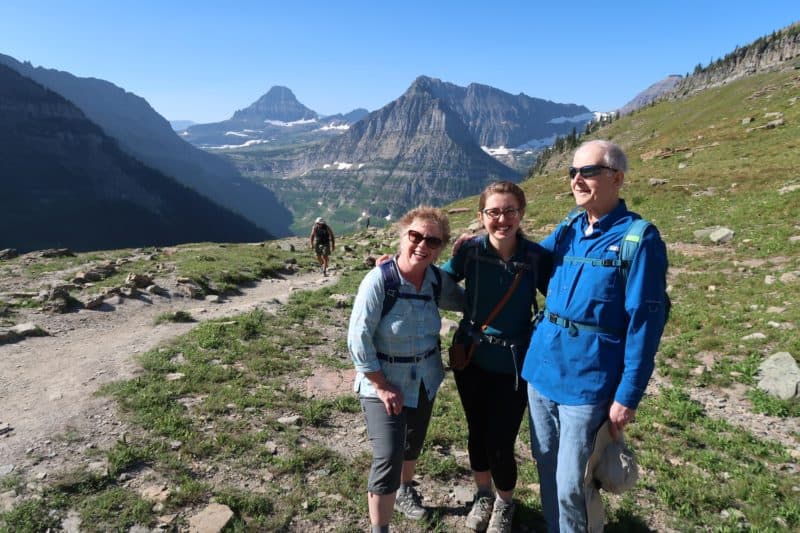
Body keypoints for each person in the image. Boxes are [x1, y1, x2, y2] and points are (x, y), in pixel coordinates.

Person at [521, 140, 668, 532]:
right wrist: (482, 245)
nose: (576, 179)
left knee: (573, 482)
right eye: (573, 172)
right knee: (546, 461)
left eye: (587, 171)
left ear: (616, 178)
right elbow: (530, 261)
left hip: (589, 379)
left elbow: (644, 324)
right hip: (542, 368)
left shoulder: (640, 240)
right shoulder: (570, 226)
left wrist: (627, 394)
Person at [439, 181, 551, 533]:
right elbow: (437, 278)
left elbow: (561, 298)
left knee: (501, 440)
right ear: (481, 216)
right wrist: (395, 266)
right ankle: (483, 494)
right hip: (471, 359)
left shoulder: (535, 257)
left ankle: (504, 503)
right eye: (494, 212)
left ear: (521, 213)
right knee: (477, 432)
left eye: (510, 211)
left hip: (514, 365)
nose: (502, 219)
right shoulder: (469, 252)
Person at [348, 206, 464, 533]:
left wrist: (472, 259)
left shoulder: (436, 281)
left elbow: (470, 302)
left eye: (432, 241)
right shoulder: (379, 281)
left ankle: (404, 490)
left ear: (440, 247)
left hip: (425, 378)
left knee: (412, 443)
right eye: (415, 236)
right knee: (388, 456)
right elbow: (358, 339)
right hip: (382, 382)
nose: (422, 245)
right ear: (402, 235)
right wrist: (382, 385)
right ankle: (380, 528)